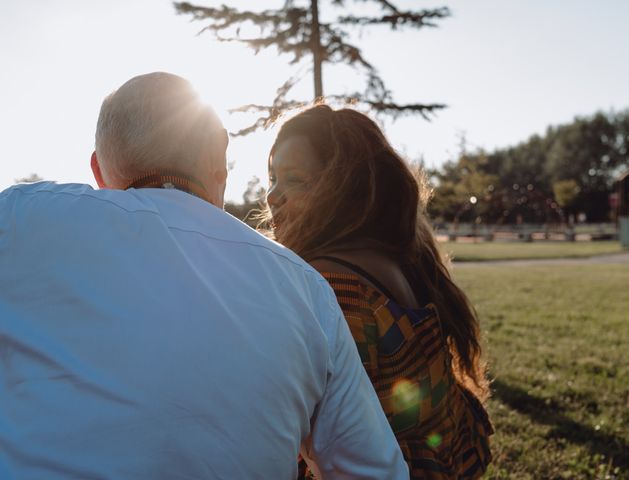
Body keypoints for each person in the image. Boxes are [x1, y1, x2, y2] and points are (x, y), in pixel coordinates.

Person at [0, 73, 409, 479]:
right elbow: (375, 472)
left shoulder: (18, 219)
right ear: (219, 168)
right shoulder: (306, 289)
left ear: (99, 170)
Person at [267, 104, 494, 479]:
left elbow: (295, 430)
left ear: (343, 189)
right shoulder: (396, 257)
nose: (273, 195)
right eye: (272, 178)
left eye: (295, 180)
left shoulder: (330, 283)